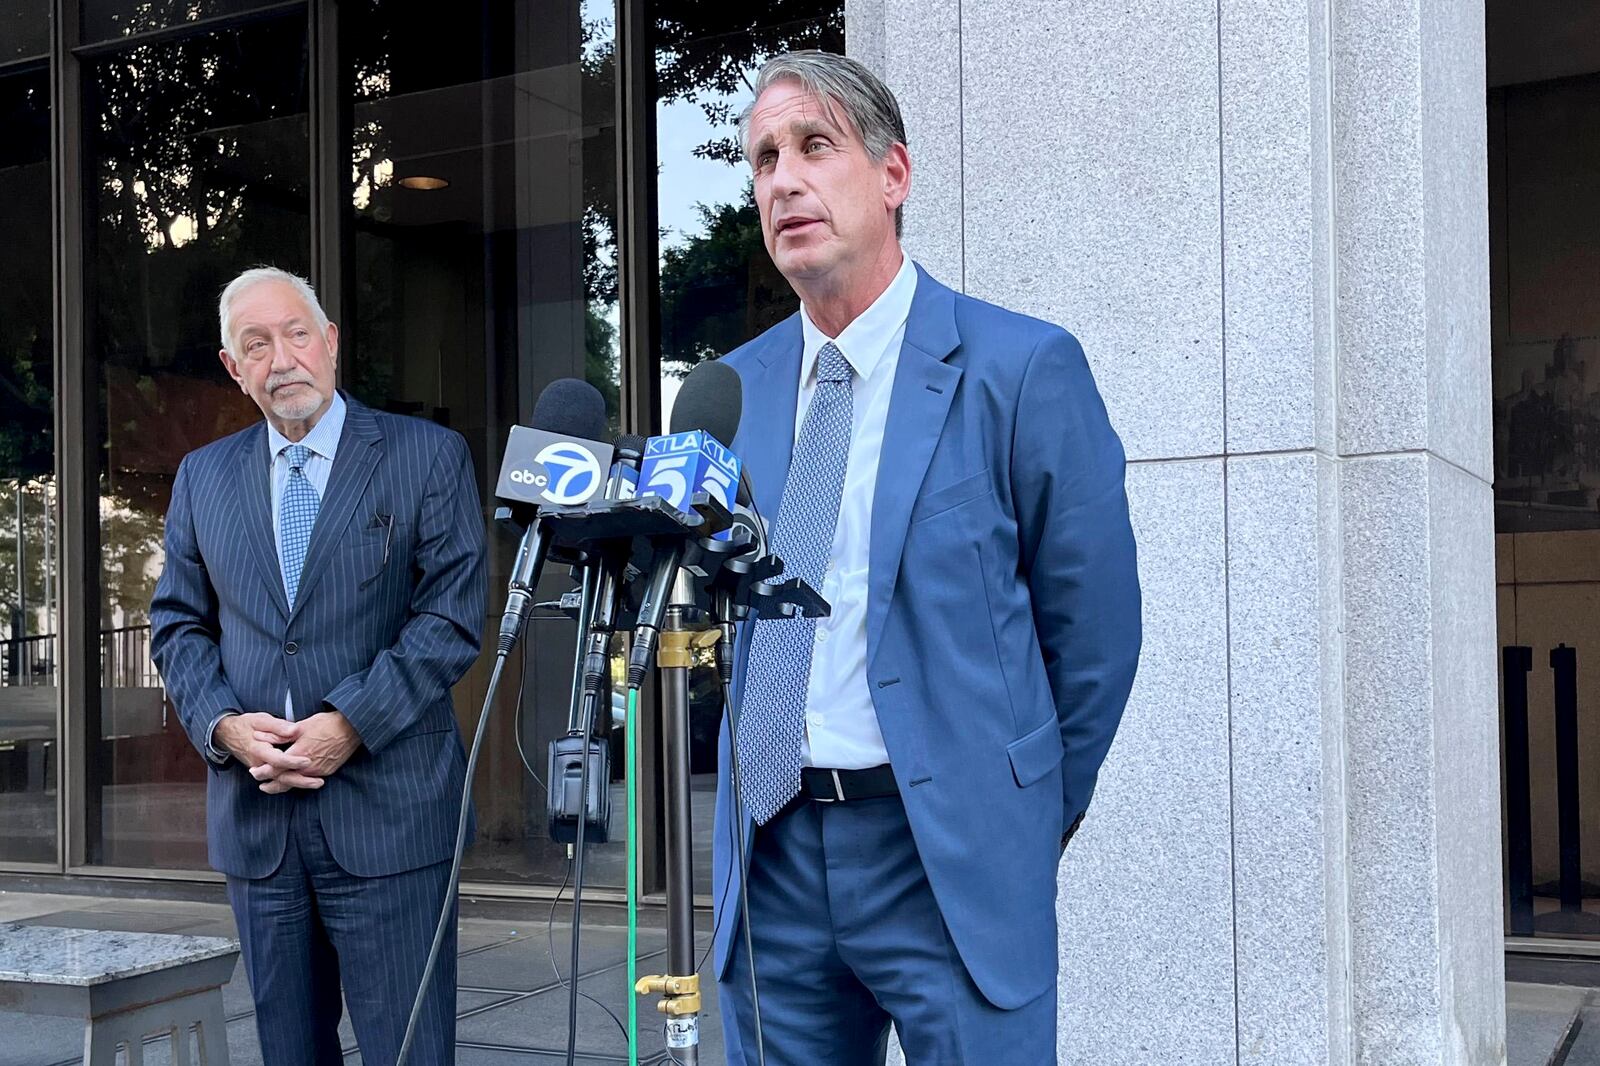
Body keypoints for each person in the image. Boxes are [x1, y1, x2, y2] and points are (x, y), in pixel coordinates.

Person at [712, 51, 1142, 1063]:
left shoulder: (1019, 367)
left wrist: (1021, 815)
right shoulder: (730, 391)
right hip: (772, 857)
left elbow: (1095, 635)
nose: (784, 179)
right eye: (764, 157)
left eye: (814, 145)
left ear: (892, 174)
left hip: (945, 857)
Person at [150, 267, 486, 1065]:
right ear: (235, 369)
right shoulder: (205, 476)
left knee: (408, 1051)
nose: (282, 359)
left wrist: (349, 725)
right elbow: (176, 624)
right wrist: (224, 726)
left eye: (297, 333)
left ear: (330, 342)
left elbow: (448, 619)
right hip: (259, 821)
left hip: (393, 815)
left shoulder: (427, 456)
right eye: (256, 345)